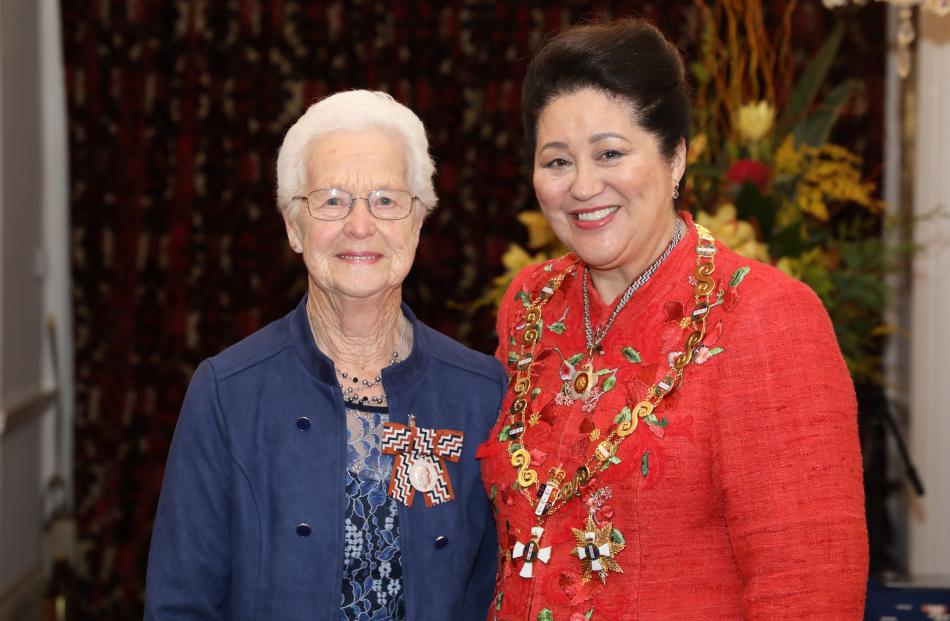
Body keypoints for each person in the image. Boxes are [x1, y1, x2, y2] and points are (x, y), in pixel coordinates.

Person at [477, 19, 868, 619]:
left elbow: (807, 587)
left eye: (610, 153)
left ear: (676, 157)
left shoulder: (763, 316)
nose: (583, 186)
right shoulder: (531, 304)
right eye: (557, 161)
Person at [145, 90, 505, 620]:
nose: (360, 225)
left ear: (418, 223)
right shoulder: (228, 392)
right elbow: (180, 605)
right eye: (332, 200)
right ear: (294, 227)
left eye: (386, 199)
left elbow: (499, 597)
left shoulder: (479, 392)